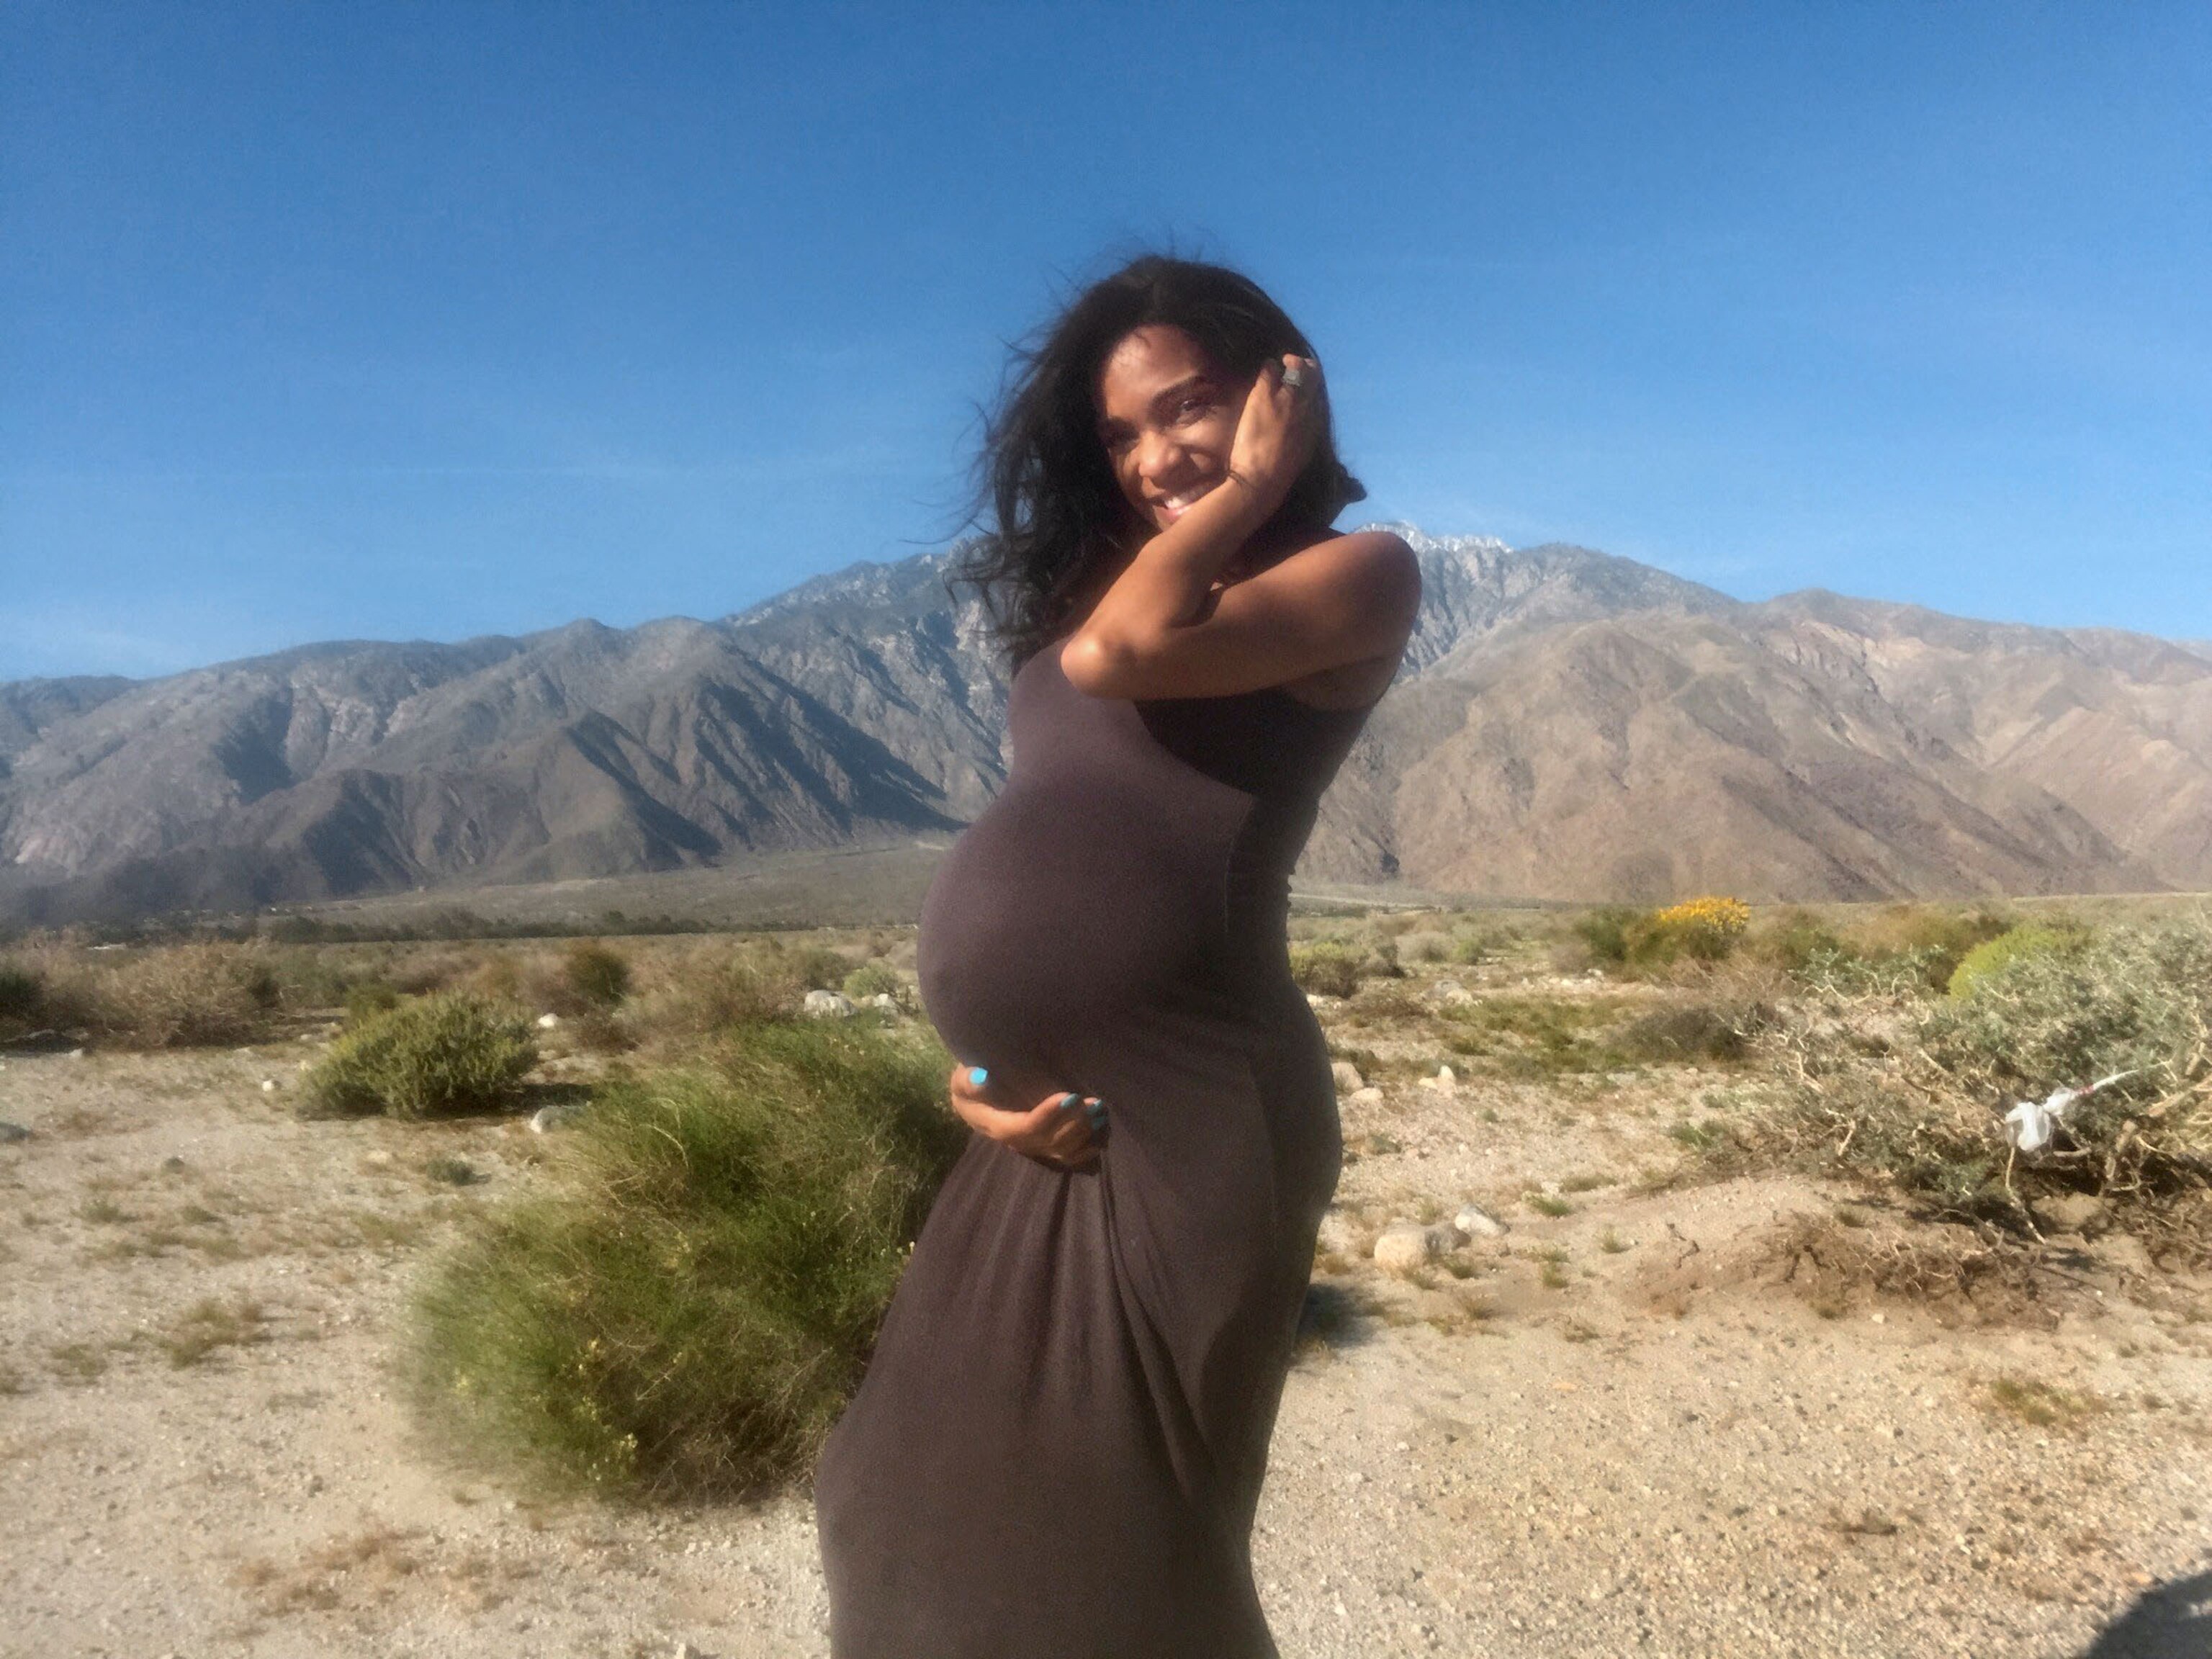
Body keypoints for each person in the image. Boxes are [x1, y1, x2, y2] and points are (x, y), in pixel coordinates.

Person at [812, 254, 1421, 1658]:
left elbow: (1119, 660)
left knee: (1107, 1556)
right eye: (1122, 434)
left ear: (1283, 386)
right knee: (895, 1500)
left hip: (1191, 1114)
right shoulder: (1117, 591)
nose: (1158, 456)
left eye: (1190, 407)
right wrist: (976, 1064)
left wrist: (1259, 490)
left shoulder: (1357, 573)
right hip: (1039, 1130)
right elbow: (1056, 836)